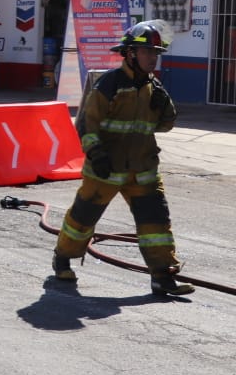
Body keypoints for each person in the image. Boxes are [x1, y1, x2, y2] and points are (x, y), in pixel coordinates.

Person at [52, 22, 193, 296]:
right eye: (146, 52)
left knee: (157, 225)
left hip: (142, 169)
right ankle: (63, 258)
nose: (153, 58)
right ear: (129, 53)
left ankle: (162, 276)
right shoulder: (110, 83)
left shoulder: (154, 87)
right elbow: (86, 124)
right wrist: (96, 153)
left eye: (156, 53)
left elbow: (163, 126)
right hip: (106, 169)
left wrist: (166, 107)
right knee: (82, 219)